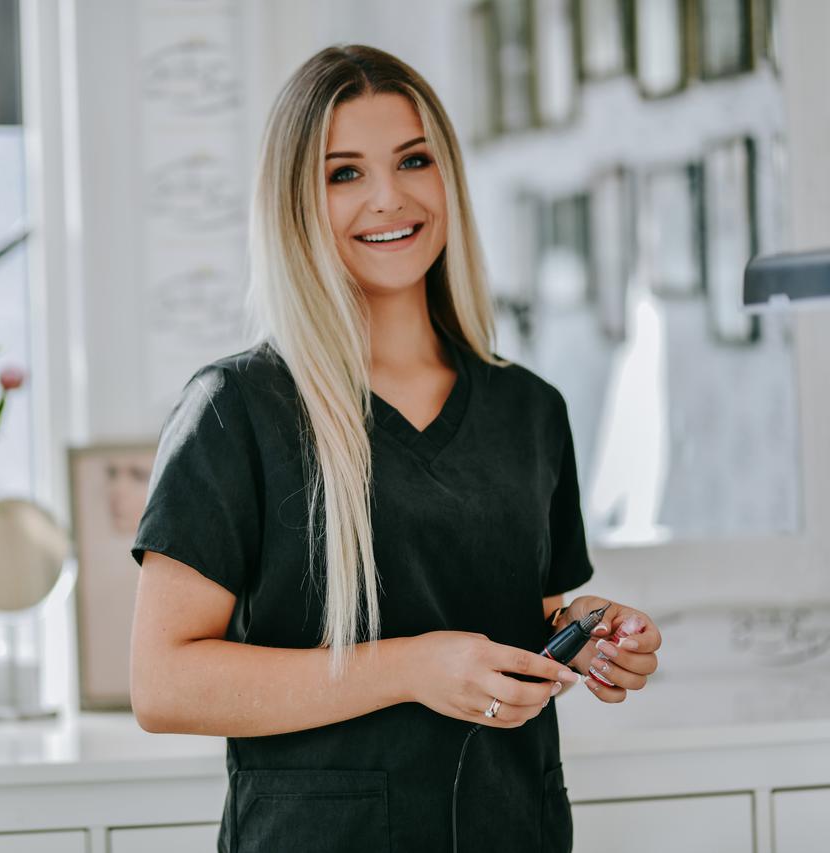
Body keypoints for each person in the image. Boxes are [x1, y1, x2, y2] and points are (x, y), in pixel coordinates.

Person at [127, 44, 662, 853]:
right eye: (345, 173)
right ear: (296, 203)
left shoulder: (530, 410)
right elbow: (163, 685)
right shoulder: (236, 412)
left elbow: (525, 613)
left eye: (414, 159)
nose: (389, 197)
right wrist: (409, 667)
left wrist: (587, 631)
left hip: (513, 827)